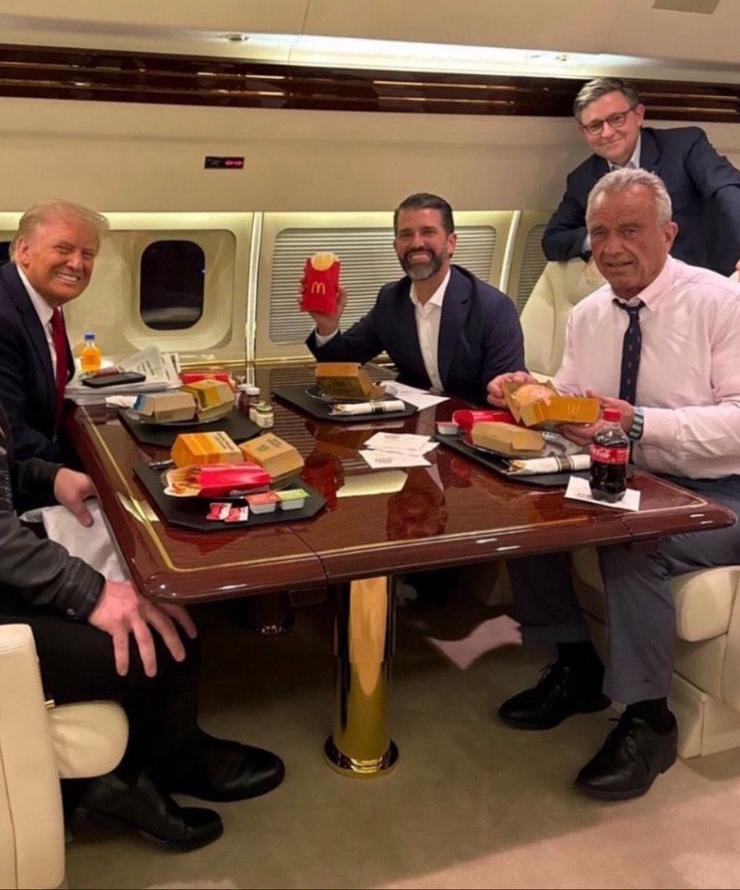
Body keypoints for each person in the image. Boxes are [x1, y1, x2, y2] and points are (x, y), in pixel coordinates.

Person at [0, 174, 283, 851]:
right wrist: (85, 590)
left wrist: (49, 479)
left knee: (167, 610)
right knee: (139, 636)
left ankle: (171, 753)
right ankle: (123, 784)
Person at [488, 167, 740, 801]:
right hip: (632, 473)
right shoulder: (590, 313)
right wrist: (531, 394)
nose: (611, 247)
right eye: (600, 232)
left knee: (634, 541)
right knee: (527, 517)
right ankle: (576, 666)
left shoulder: (720, 303)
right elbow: (579, 401)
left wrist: (643, 424)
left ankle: (649, 720)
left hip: (723, 489)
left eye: (630, 230)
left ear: (669, 233)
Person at [304, 192, 525, 406]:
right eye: (406, 235)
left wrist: (505, 393)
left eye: (428, 232)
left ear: (451, 243)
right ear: (396, 247)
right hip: (411, 423)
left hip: (468, 427)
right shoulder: (391, 299)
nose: (416, 243)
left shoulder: (493, 308)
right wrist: (328, 326)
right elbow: (343, 365)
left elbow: (505, 394)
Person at [541, 77, 740, 275]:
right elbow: (552, 240)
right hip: (638, 289)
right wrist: (601, 235)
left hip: (709, 276)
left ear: (638, 115)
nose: (607, 133)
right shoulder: (583, 179)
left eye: (616, 119)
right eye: (595, 126)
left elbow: (728, 189)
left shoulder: (684, 146)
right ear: (583, 132)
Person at [0, 200, 105, 462]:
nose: (76, 264)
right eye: (63, 249)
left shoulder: (45, 302)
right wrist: (86, 466)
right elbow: (8, 434)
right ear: (24, 251)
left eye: (87, 254)